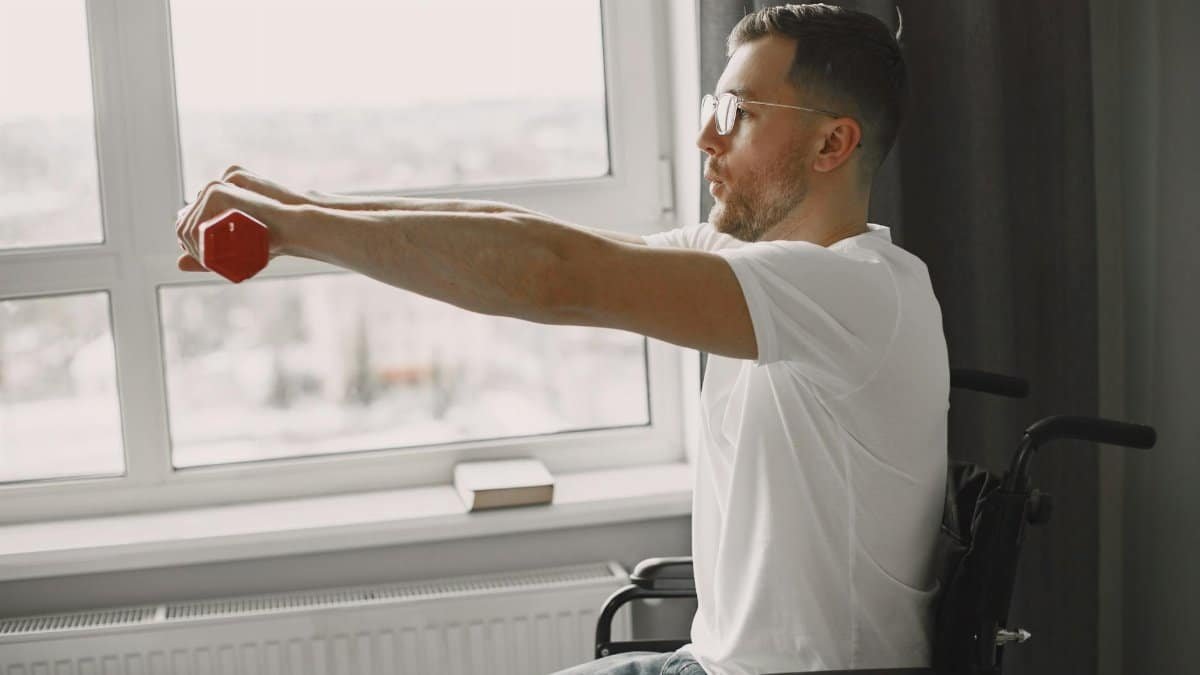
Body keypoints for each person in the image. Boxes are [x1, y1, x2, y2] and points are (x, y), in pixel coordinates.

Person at [175, 4, 947, 674]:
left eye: (738, 113)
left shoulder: (859, 291)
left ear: (831, 144)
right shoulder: (748, 264)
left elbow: (553, 276)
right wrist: (298, 211)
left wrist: (293, 226)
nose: (709, 139)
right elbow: (515, 238)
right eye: (715, 107)